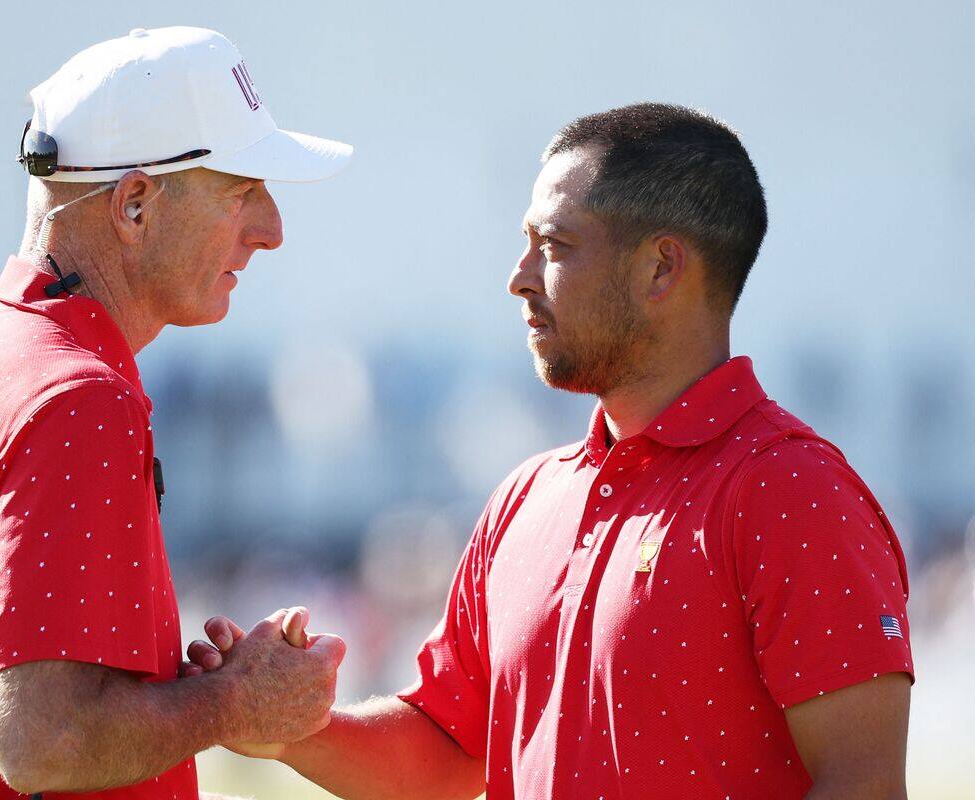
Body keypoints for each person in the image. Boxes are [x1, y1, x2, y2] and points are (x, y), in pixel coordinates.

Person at [192, 103, 915, 799]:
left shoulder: (793, 489)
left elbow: (865, 786)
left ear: (662, 268)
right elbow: (446, 756)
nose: (520, 277)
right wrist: (285, 726)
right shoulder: (528, 496)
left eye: (555, 246)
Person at [0, 26, 351, 799]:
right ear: (134, 205)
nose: (271, 231)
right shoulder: (79, 398)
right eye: (241, 191)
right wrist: (234, 702)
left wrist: (185, 696)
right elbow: (42, 740)